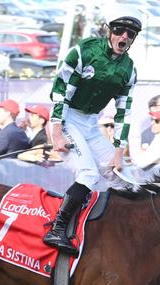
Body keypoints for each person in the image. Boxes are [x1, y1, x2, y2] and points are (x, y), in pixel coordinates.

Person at [43, 6, 142, 256]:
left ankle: (122, 233)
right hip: (66, 118)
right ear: (110, 31)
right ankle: (57, 228)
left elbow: (123, 112)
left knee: (124, 178)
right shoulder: (83, 51)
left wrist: (119, 152)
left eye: (130, 34)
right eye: (119, 31)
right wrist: (56, 131)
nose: (124, 38)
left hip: (91, 124)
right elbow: (61, 91)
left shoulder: (129, 69)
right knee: (88, 173)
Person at [0, 99, 29, 165]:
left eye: (0, 111)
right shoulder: (21, 132)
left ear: (8, 113)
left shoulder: (6, 133)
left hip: (5, 173)